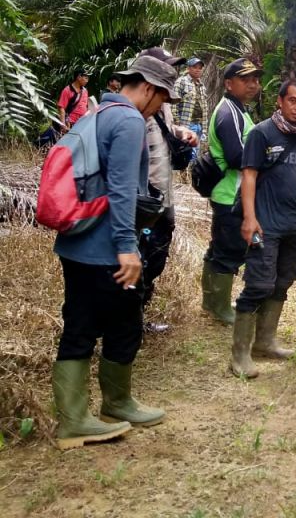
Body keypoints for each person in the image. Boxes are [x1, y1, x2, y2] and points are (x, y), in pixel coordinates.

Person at [50, 55, 180, 449]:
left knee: (80, 323)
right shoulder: (128, 120)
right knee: (124, 322)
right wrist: (127, 248)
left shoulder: (98, 112)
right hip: (106, 247)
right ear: (148, 89)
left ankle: (78, 416)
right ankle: (112, 405)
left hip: (77, 242)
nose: (161, 106)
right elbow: (123, 190)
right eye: (162, 98)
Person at [231, 78, 296, 378]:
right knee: (258, 284)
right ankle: (239, 355)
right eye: (292, 100)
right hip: (265, 225)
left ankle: (265, 342)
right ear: (280, 101)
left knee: (283, 281)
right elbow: (249, 176)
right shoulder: (261, 133)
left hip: (295, 225)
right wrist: (249, 217)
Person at [137, 47, 198, 334]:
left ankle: (138, 316)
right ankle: (129, 323)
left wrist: (181, 132)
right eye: (166, 66)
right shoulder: (135, 109)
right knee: (140, 257)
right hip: (144, 200)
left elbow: (164, 129)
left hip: (163, 195)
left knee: (156, 257)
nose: (171, 72)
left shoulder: (163, 103)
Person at [201, 58, 263, 325]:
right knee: (230, 250)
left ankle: (210, 302)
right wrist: (265, 156)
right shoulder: (228, 113)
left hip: (230, 192)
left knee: (218, 247)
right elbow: (236, 157)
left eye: (256, 79)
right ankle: (221, 308)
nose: (253, 84)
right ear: (228, 84)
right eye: (245, 79)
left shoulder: (239, 110)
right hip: (231, 195)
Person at [173, 57, 207, 161]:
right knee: (188, 152)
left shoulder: (201, 86)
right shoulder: (181, 81)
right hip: (187, 124)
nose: (198, 70)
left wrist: (204, 127)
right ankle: (186, 170)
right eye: (195, 67)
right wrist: (177, 122)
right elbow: (174, 103)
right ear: (188, 68)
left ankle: (191, 170)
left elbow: (204, 107)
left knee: (196, 153)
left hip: (199, 124)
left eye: (200, 68)